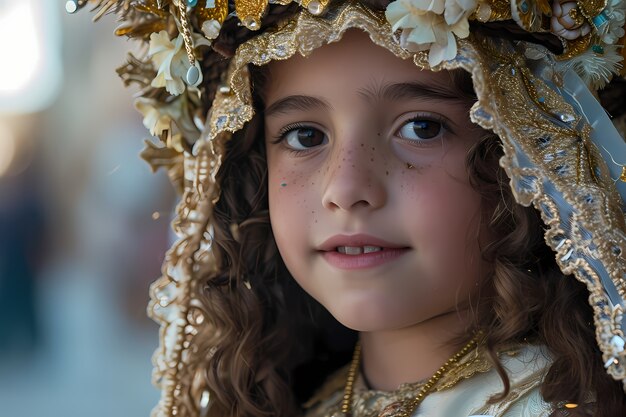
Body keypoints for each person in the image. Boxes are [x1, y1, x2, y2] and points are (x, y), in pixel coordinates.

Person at [73, 0, 626, 416]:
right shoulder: (305, 402)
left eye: (421, 127)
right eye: (305, 136)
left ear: (525, 151)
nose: (347, 187)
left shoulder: (564, 403)